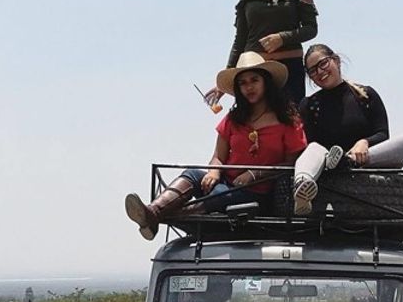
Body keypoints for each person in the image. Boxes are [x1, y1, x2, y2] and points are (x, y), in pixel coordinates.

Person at [125, 52, 307, 239]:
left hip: (259, 191)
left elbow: (292, 164)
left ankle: (154, 218)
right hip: (227, 182)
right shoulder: (233, 118)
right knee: (193, 174)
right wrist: (214, 172)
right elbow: (218, 156)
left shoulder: (287, 120)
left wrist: (254, 174)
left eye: (254, 80)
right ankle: (153, 210)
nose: (249, 87)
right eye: (243, 83)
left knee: (220, 194)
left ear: (266, 82)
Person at [292, 44, 403, 215]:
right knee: (314, 149)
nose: (320, 72)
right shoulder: (309, 105)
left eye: (323, 64)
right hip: (325, 162)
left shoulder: (365, 95)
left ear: (336, 61)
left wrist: (364, 143)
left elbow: (383, 133)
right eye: (312, 71)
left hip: (365, 160)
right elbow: (310, 142)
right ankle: (302, 186)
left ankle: (347, 161)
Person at [204, 0, 318, 106]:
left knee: (291, 123)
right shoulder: (247, 1)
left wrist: (282, 38)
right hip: (253, 72)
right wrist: (226, 80)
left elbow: (311, 29)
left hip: (289, 71)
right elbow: (240, 41)